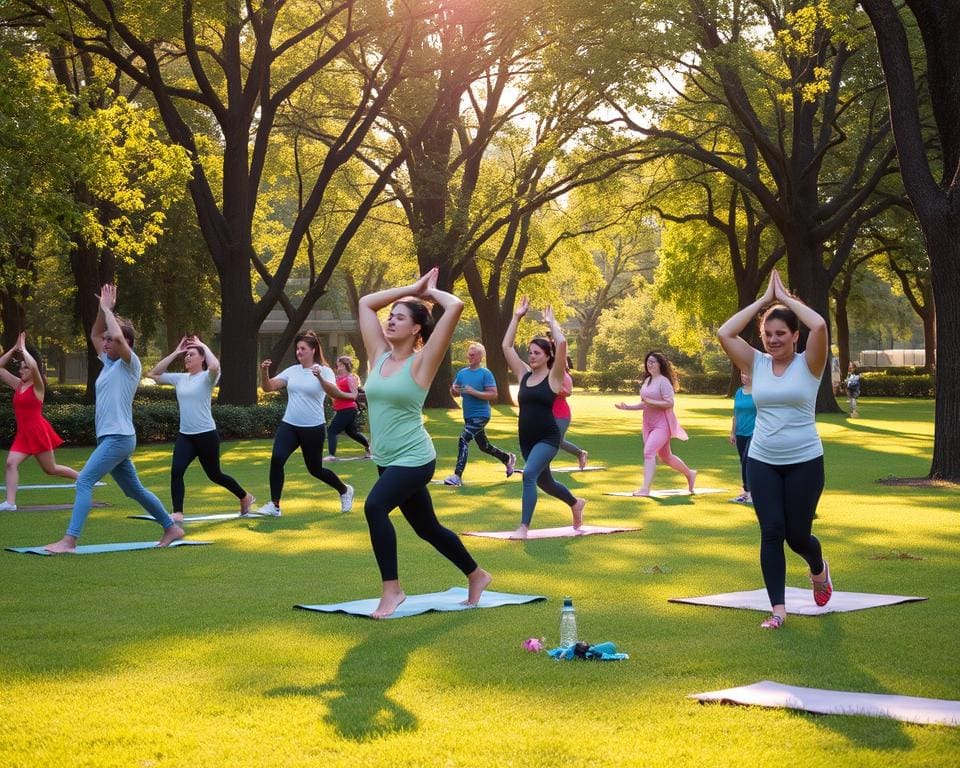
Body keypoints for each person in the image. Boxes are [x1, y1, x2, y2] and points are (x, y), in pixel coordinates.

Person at [357, 267, 491, 618]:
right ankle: (477, 574)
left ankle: (392, 589)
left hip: (415, 457)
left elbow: (456, 306)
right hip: (386, 458)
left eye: (400, 317)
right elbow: (366, 303)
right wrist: (412, 288)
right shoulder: (378, 354)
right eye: (391, 316)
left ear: (416, 328)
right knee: (427, 528)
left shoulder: (423, 362)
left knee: (374, 507)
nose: (390, 320)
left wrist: (429, 294)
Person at [717, 269, 833, 629]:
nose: (773, 340)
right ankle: (778, 611)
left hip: (805, 462)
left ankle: (818, 568)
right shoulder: (756, 363)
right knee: (771, 531)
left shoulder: (810, 363)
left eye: (781, 333)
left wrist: (786, 299)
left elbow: (820, 326)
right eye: (768, 334)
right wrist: (764, 302)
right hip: (762, 461)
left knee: (797, 537)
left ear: (795, 335)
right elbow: (725, 333)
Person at [45, 284, 184, 553]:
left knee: (84, 480)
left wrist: (110, 310)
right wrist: (102, 309)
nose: (106, 342)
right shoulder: (108, 365)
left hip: (118, 437)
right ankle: (171, 527)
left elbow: (117, 338)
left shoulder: (131, 365)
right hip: (113, 437)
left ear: (126, 344)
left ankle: (69, 541)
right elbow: (95, 333)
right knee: (134, 490)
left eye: (111, 340)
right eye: (106, 340)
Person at [501, 297, 586, 539]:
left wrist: (552, 323)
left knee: (528, 475)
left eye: (537, 353)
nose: (531, 356)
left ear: (548, 356)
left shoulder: (554, 377)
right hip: (526, 439)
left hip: (547, 437)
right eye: (530, 352)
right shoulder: (524, 375)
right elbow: (506, 346)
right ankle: (575, 503)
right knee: (545, 483)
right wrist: (516, 317)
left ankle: (523, 527)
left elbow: (562, 344)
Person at [148, 336, 255, 521]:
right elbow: (153, 374)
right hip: (185, 436)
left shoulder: (207, 377)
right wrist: (176, 352)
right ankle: (178, 512)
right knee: (176, 471)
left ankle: (245, 497)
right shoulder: (180, 378)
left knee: (215, 475)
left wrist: (202, 345)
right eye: (186, 355)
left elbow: (215, 366)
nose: (187, 357)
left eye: (192, 354)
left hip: (206, 435)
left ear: (202, 358)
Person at [258, 331, 353, 517]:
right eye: (297, 349)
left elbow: (333, 393)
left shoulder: (324, 371)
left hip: (313, 428)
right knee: (277, 459)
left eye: (303, 348)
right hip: (290, 425)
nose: (299, 352)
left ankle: (344, 490)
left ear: (313, 350)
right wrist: (264, 372)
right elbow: (268, 387)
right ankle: (275, 505)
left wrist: (319, 377)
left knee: (315, 469)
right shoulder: (292, 371)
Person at [0, 332, 79, 511]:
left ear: (32, 371)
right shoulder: (18, 385)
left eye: (25, 368)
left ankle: (82, 478)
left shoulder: (38, 387)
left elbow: (34, 366)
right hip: (23, 434)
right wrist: (14, 349)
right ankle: (10, 503)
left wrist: (24, 349)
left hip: (37, 432)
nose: (21, 371)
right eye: (20, 368)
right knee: (11, 463)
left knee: (51, 469)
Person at [614, 352, 696, 496]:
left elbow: (669, 403)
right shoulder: (648, 381)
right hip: (648, 424)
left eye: (652, 362)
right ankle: (690, 473)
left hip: (662, 424)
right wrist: (627, 407)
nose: (649, 364)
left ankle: (645, 488)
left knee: (649, 452)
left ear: (660, 364)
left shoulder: (664, 382)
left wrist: (651, 402)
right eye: (648, 362)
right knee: (665, 456)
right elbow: (644, 403)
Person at [443, 342, 516, 486]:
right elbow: (456, 392)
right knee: (484, 446)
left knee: (463, 439)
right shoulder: (462, 373)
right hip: (468, 416)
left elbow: (493, 394)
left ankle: (457, 476)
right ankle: (507, 458)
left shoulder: (485, 374)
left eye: (472, 355)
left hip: (481, 415)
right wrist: (454, 390)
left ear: (480, 357)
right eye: (468, 354)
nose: (469, 357)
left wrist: (474, 392)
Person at [322, 355, 371, 461]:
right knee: (352, 432)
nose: (339, 368)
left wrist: (340, 394)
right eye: (338, 366)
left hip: (348, 409)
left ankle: (331, 455)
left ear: (347, 366)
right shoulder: (337, 379)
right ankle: (369, 446)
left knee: (332, 431)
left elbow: (354, 395)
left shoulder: (350, 378)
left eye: (341, 366)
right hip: (342, 409)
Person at [553, 356, 588, 470]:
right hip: (548, 414)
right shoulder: (548, 374)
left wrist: (554, 388)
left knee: (558, 441)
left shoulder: (564, 376)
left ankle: (580, 453)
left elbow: (568, 392)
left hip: (562, 415)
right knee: (546, 439)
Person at [729, 370, 756, 503]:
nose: (743, 377)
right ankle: (747, 492)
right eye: (741, 374)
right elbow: (736, 414)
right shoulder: (739, 392)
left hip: (755, 432)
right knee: (743, 461)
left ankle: (751, 492)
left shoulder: (758, 392)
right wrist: (733, 432)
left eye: (746, 374)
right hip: (741, 432)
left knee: (747, 460)